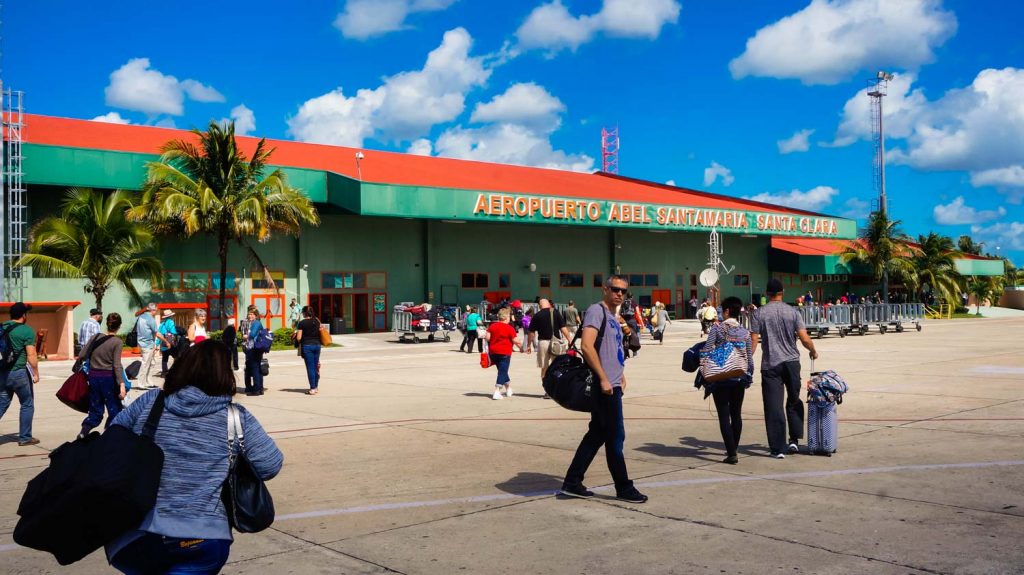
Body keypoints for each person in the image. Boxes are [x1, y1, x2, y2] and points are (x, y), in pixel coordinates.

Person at [105, 340, 283, 574]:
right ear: (225, 375)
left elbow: (111, 441)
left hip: (137, 535)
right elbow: (270, 464)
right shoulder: (235, 417)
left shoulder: (151, 402)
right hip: (202, 536)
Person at [561, 275, 647, 504]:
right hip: (605, 387)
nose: (619, 294)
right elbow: (586, 346)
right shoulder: (596, 311)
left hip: (612, 383)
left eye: (624, 291)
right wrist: (604, 379)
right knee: (616, 437)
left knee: (597, 434)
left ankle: (572, 481)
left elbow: (611, 351)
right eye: (615, 289)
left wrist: (620, 374)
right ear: (605, 289)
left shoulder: (613, 316)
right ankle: (623, 487)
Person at [751, 278, 819, 459]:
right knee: (794, 399)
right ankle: (794, 440)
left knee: (773, 406)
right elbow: (804, 338)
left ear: (767, 293)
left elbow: (753, 341)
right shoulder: (793, 312)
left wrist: (746, 360)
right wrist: (813, 350)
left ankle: (778, 448)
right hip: (791, 362)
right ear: (782, 292)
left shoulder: (759, 314)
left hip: (770, 364)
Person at [704, 297, 753, 464]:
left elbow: (707, 349)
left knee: (724, 415)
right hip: (739, 377)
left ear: (726, 311)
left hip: (721, 377)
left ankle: (731, 453)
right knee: (736, 414)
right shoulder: (745, 332)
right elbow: (749, 359)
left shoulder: (717, 329)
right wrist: (749, 376)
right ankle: (734, 448)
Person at [77, 312, 127, 438]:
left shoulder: (95, 337)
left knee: (95, 409)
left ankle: (84, 431)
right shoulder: (117, 342)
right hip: (108, 378)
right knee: (114, 409)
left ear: (106, 324)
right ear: (119, 326)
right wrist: (121, 384)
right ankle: (108, 435)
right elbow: (116, 365)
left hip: (93, 377)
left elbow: (82, 355)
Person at [0, 302, 40, 446]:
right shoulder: (26, 331)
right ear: (24, 315)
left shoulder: (2, 327)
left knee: (2, 403)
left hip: (3, 372)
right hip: (19, 373)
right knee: (27, 404)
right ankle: (25, 437)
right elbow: (31, 355)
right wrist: (36, 373)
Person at [529, 298, 572, 380]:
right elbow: (563, 328)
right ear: (548, 304)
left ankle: (546, 387)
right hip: (556, 343)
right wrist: (569, 339)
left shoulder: (537, 315)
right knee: (557, 365)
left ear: (540, 306)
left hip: (543, 343)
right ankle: (556, 385)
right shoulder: (556, 312)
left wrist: (528, 345)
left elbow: (531, 332)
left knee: (544, 367)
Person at [484, 308, 522, 400]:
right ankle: (497, 391)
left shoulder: (492, 326)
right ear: (506, 317)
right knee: (502, 371)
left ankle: (508, 389)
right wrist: (522, 347)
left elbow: (487, 338)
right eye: (509, 316)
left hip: (493, 352)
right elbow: (515, 340)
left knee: (502, 370)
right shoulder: (510, 328)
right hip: (504, 352)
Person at [137, 303, 169, 389]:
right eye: (156, 310)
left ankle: (148, 382)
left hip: (143, 343)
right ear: (153, 310)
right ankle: (141, 383)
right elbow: (157, 333)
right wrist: (166, 341)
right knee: (145, 364)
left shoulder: (141, 317)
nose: (156, 311)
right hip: (148, 344)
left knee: (151, 363)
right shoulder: (150, 319)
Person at [292, 306, 322, 395]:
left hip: (307, 346)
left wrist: (296, 334)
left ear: (304, 313)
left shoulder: (302, 323)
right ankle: (316, 387)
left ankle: (312, 388)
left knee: (310, 368)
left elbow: (299, 337)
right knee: (315, 366)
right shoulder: (317, 321)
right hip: (317, 345)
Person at [241, 309, 266, 396]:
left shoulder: (256, 323)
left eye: (252, 314)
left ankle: (256, 390)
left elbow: (252, 335)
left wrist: (245, 336)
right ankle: (259, 389)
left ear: (256, 315)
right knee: (257, 368)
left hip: (254, 348)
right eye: (249, 314)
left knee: (255, 368)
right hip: (255, 348)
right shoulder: (254, 323)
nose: (250, 316)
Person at [158, 309, 177, 376]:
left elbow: (159, 334)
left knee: (164, 358)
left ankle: (164, 372)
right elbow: (173, 331)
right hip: (170, 342)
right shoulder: (171, 322)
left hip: (163, 342)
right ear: (170, 316)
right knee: (176, 356)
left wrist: (157, 344)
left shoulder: (162, 324)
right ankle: (174, 370)